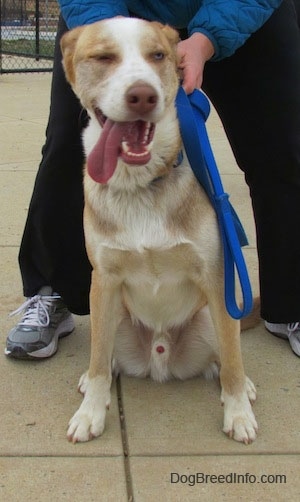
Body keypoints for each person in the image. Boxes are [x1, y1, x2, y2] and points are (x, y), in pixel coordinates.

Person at [5, 0, 300, 359]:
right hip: (117, 8)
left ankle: (291, 302)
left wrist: (208, 37)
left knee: (284, 147)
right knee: (66, 144)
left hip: (239, 7)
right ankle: (52, 290)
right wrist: (110, 37)